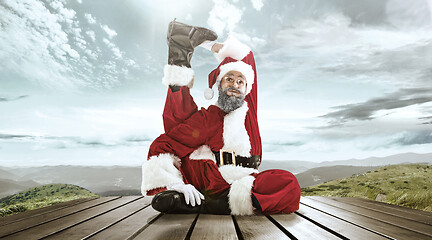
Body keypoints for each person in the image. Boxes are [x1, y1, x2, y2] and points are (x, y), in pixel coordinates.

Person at [141, 19, 300, 215]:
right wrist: (174, 182)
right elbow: (167, 142)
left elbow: (246, 56)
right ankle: (197, 197)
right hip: (218, 183)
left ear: (246, 88)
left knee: (288, 183)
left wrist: (206, 44)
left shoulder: (248, 107)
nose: (235, 84)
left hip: (248, 182)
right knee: (180, 117)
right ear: (220, 85)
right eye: (229, 79)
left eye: (240, 81)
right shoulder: (210, 117)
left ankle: (207, 204)